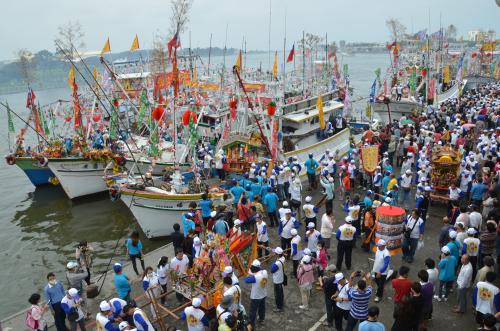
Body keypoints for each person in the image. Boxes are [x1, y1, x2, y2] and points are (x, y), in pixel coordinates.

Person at [244, 260, 268, 330]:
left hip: (256, 297)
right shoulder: (265, 272)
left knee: (253, 311)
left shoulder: (255, 277)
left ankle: (251, 325)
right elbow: (260, 271)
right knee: (262, 308)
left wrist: (249, 273)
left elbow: (246, 280)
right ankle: (261, 319)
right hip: (263, 294)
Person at [270, 247, 286, 312]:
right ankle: (281, 303)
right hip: (281, 277)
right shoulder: (283, 258)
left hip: (277, 280)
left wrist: (273, 262)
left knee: (277, 294)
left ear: (277, 254)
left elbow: (272, 270)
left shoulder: (277, 263)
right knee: (280, 292)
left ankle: (279, 307)